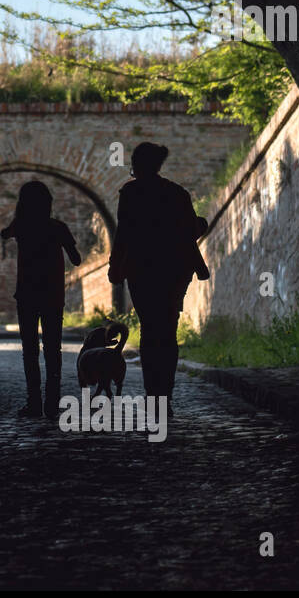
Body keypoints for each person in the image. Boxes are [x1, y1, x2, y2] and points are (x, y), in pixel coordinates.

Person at [107, 143, 210, 414]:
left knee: (150, 329)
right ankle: (165, 396)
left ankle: (154, 397)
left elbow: (124, 233)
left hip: (142, 270)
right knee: (167, 330)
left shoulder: (130, 192)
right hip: (174, 271)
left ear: (137, 164)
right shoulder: (177, 193)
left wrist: (115, 266)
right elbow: (190, 231)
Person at [0, 181, 82, 418]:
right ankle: (52, 403)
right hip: (53, 294)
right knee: (53, 350)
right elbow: (76, 260)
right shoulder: (58, 227)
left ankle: (34, 402)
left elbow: (5, 233)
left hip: (26, 294)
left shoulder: (21, 225)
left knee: (30, 351)